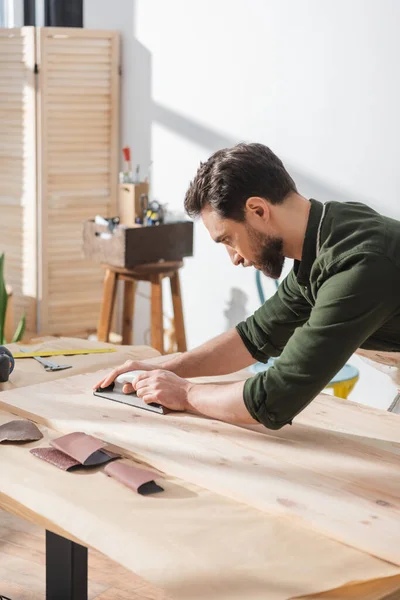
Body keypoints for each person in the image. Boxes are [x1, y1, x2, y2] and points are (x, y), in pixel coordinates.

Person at [95, 143, 400, 429]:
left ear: (257, 210)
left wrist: (186, 394)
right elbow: (255, 337)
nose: (234, 259)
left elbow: (277, 396)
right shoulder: (324, 240)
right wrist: (161, 367)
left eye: (228, 239)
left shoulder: (357, 263)